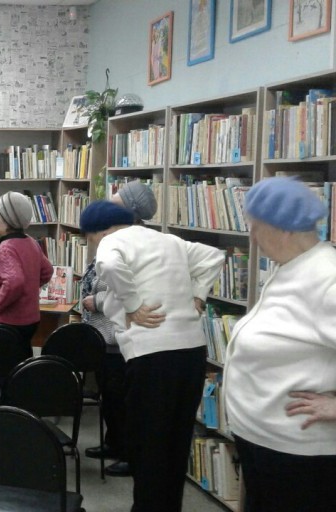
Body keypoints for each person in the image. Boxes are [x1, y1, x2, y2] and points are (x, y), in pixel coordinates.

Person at [81, 200, 224, 512]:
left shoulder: (112, 242)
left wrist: (132, 305)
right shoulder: (168, 240)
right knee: (176, 442)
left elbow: (109, 265)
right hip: (191, 352)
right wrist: (198, 295)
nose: (92, 245)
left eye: (89, 239)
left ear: (99, 232)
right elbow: (214, 256)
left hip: (152, 355)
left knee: (147, 446)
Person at [223, 176, 336, 511]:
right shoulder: (291, 267)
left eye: (256, 227)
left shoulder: (327, 278)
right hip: (265, 443)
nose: (252, 237)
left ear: (284, 229)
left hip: (299, 454)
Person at [80, 181, 157, 477]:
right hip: (104, 334)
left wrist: (97, 300)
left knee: (123, 398)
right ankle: (114, 442)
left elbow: (128, 290)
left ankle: (128, 452)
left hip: (119, 334)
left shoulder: (134, 244)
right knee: (110, 397)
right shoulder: (117, 236)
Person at [0, 191, 53, 346]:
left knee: (2, 360)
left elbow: (14, 281)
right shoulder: (31, 242)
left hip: (6, 321)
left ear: (7, 221)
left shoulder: (6, 247)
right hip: (30, 320)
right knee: (22, 357)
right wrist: (29, 288)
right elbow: (47, 271)